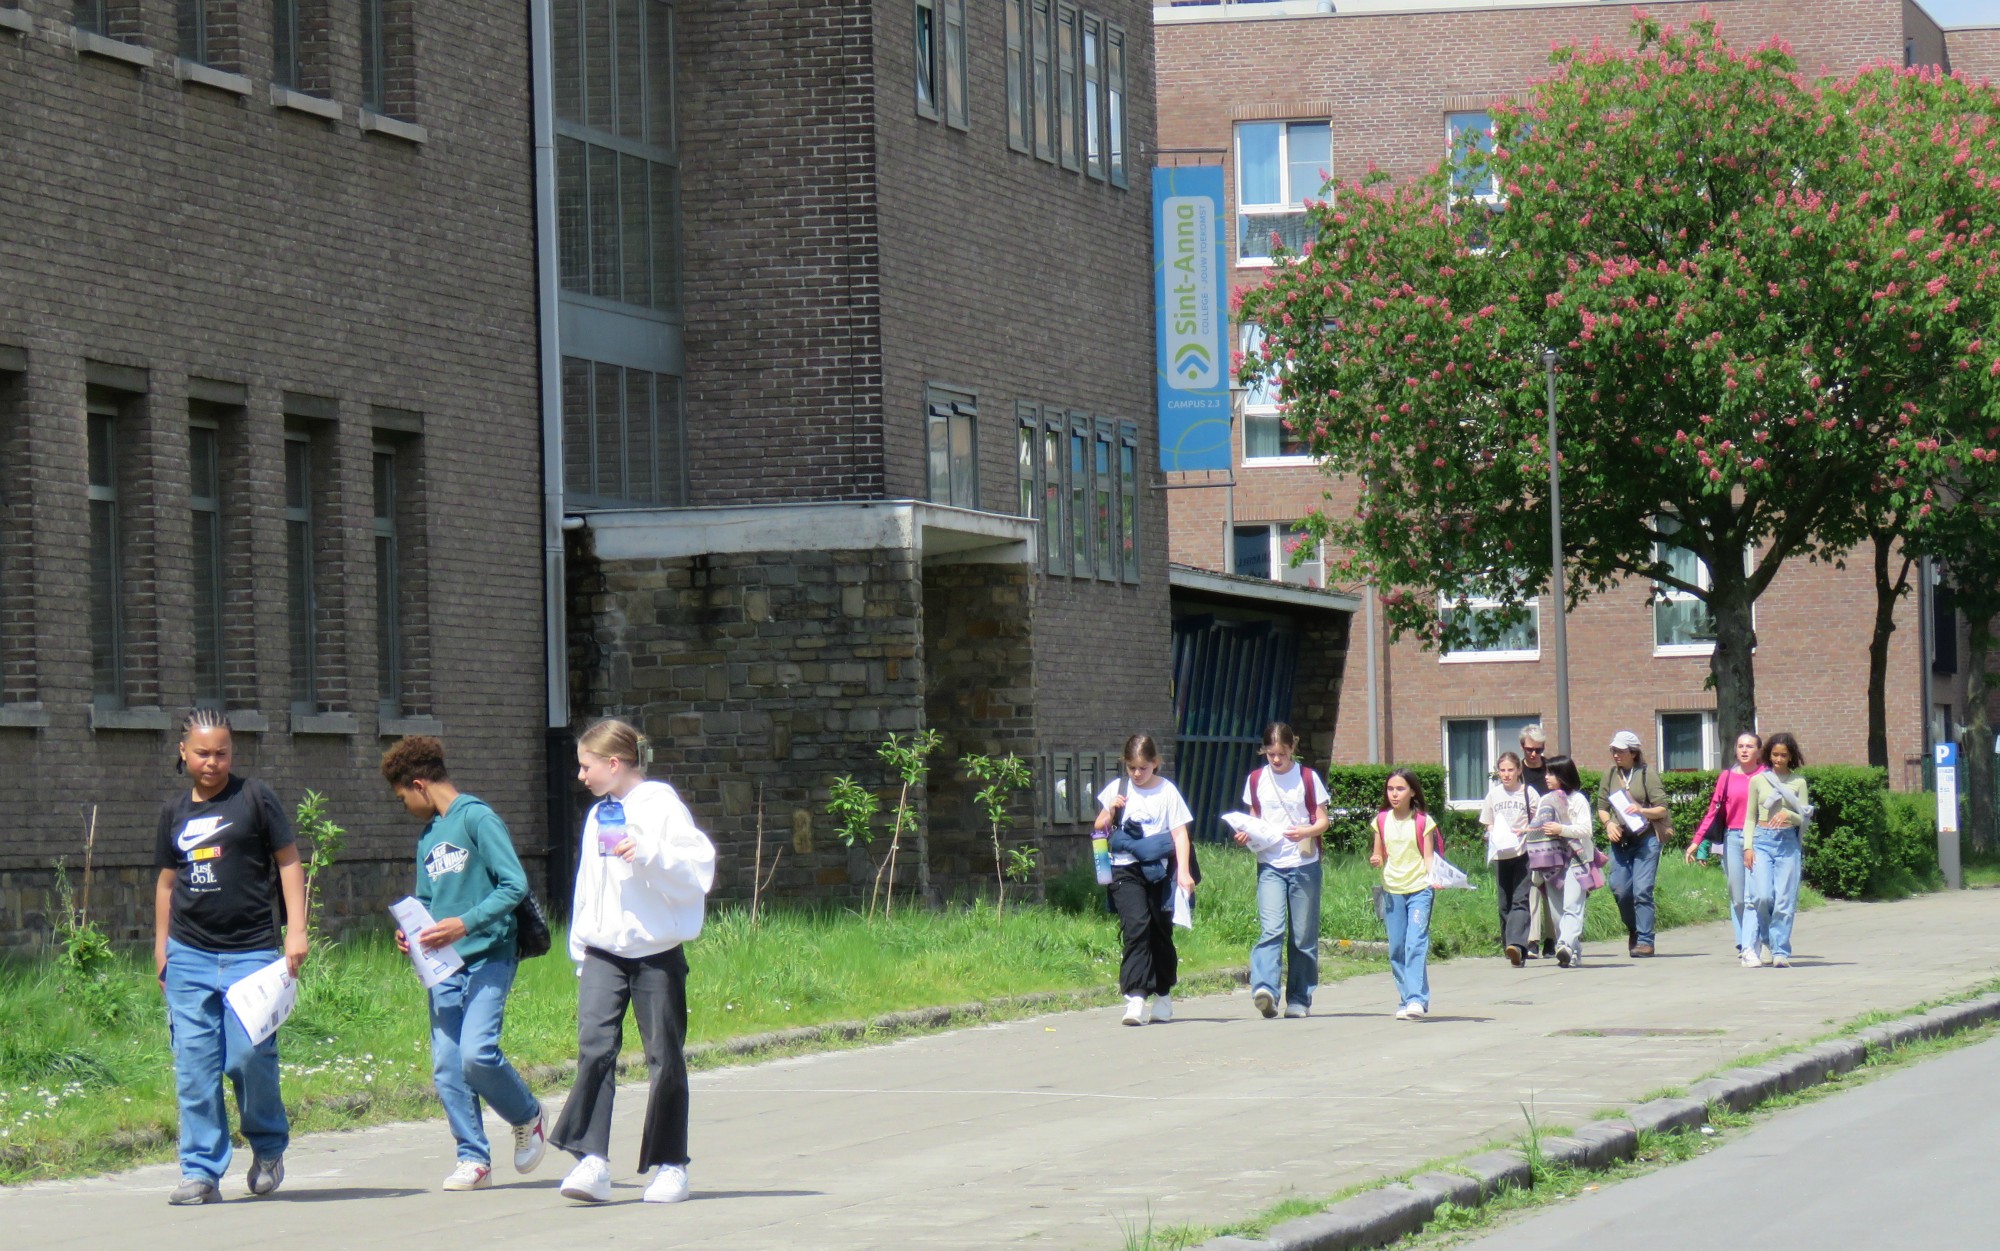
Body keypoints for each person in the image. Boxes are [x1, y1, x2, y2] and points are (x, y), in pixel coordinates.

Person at [553, 718, 716, 1204]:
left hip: (655, 952)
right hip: (604, 951)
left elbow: (696, 872)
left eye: (586, 766)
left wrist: (647, 853)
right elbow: (588, 884)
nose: (580, 776)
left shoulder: (661, 806)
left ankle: (670, 1165)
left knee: (664, 1057)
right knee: (594, 1049)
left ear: (613, 763)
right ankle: (592, 1161)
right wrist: (581, 948)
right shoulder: (598, 814)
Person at [152, 708, 307, 1205]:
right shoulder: (174, 813)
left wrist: (296, 931)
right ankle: (200, 1170)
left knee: (248, 1056)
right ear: (183, 752)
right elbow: (166, 883)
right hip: (189, 954)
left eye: (221, 752)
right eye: (202, 753)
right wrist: (161, 949)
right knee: (195, 1067)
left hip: (252, 953)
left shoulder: (255, 798)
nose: (212, 762)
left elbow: (288, 861)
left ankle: (267, 1146)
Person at [381, 735, 547, 1192]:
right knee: (448, 1064)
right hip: (443, 966)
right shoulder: (428, 837)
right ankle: (473, 1158)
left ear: (419, 784)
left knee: (477, 1053)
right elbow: (429, 901)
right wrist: (413, 933)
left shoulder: (477, 818)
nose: (405, 807)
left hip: (489, 954)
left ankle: (527, 1116)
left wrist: (464, 925)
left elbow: (514, 885)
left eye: (402, 798)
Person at [1094, 733, 1196, 1027]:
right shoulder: (1118, 787)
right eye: (1131, 768)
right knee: (1136, 927)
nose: (1137, 774)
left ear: (1156, 763)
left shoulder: (1167, 792)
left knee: (1160, 933)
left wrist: (1185, 873)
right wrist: (1111, 808)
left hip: (1160, 871)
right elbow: (1099, 826)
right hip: (1125, 870)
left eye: (1143, 767)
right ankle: (1136, 997)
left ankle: (1163, 995)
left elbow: (1180, 835)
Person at [1232, 723, 1330, 1019]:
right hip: (1270, 864)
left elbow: (1323, 822)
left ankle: (1300, 998)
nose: (1276, 760)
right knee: (1271, 928)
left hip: (1303, 865)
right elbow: (1253, 820)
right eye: (1270, 754)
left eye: (1282, 754)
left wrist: (1305, 830)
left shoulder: (1308, 778)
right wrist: (1245, 835)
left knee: (1302, 936)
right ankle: (1265, 990)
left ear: (1292, 749)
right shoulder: (1256, 779)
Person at [1685, 732, 1766, 957]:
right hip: (1732, 838)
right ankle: (1743, 942)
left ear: (1758, 751)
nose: (1744, 750)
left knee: (1756, 895)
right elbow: (1714, 811)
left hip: (1759, 838)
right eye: (1740, 746)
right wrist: (1696, 841)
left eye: (1750, 746)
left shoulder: (1766, 776)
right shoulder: (1727, 777)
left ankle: (1753, 941)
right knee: (1738, 896)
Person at [1596, 730, 1671, 957]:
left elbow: (1662, 808)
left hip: (1646, 839)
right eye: (1613, 751)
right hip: (1621, 841)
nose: (1616, 755)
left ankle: (1646, 940)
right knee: (1620, 890)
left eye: (1620, 751)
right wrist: (1608, 824)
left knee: (1642, 891)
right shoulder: (1610, 774)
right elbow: (1601, 806)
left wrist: (1641, 810)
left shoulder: (1647, 774)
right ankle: (1634, 930)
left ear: (1633, 752)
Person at [1369, 769, 1437, 1020]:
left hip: (1419, 888)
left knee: (1415, 943)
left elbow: (1428, 856)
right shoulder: (1381, 820)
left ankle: (1417, 999)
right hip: (1392, 890)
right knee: (1397, 947)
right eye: (1390, 789)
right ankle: (1406, 997)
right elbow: (1379, 853)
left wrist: (1434, 879)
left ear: (1412, 792)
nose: (1394, 794)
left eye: (1400, 789)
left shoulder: (1422, 821)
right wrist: (1376, 859)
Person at [1742, 732, 1811, 969]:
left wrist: (1788, 814)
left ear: (1791, 756)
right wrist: (1747, 846)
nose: (1779, 759)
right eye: (1775, 754)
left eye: (1784, 755)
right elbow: (1750, 816)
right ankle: (1766, 940)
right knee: (1762, 896)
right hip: (1761, 840)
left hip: (1787, 843)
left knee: (1784, 899)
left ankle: (1781, 950)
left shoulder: (1798, 782)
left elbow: (1804, 816)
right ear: (1768, 755)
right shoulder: (1758, 781)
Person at [1536, 754, 1598, 968]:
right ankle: (1572, 951)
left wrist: (1561, 829)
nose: (1547, 777)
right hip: (1551, 860)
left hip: (1577, 859)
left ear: (1563, 775)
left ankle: (1564, 944)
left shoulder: (1577, 799)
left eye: (1551, 773)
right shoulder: (1545, 800)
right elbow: (1538, 828)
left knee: (1573, 905)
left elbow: (1586, 829)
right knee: (1556, 913)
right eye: (1546, 772)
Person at [1477, 751, 1539, 967]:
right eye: (1502, 770)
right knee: (1504, 903)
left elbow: (1539, 822)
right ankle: (1509, 946)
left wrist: (1524, 829)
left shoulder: (1528, 793)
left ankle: (1517, 945)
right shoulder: (1493, 795)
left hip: (1523, 853)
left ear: (1519, 771)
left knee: (1520, 900)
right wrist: (1493, 832)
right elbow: (1488, 822)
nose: (1506, 774)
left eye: (1510, 770)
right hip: (1501, 854)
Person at [1517, 725, 1557, 958]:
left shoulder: (1550, 769)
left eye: (1538, 750)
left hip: (1550, 835)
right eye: (1529, 749)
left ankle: (1551, 939)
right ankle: (1532, 939)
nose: (1534, 754)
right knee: (1532, 884)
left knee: (1550, 887)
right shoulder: (1518, 771)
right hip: (1526, 835)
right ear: (1522, 747)